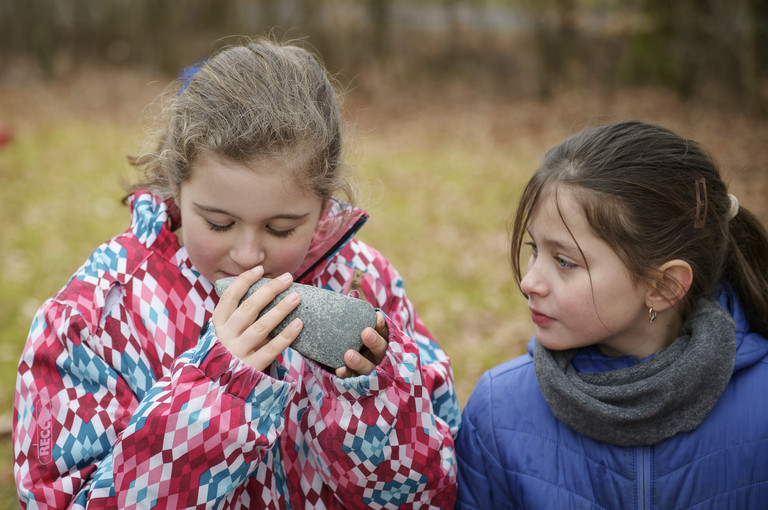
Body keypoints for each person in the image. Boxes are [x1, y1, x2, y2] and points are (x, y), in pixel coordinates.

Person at [13, 37, 459, 509]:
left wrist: (378, 397)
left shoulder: (366, 284)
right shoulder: (92, 319)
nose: (248, 255)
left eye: (281, 228)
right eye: (219, 223)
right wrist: (216, 394)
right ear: (176, 184)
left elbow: (436, 493)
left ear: (325, 203)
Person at [455, 120, 768, 509]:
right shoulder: (498, 413)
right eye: (534, 248)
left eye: (565, 261)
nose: (529, 282)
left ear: (663, 287)